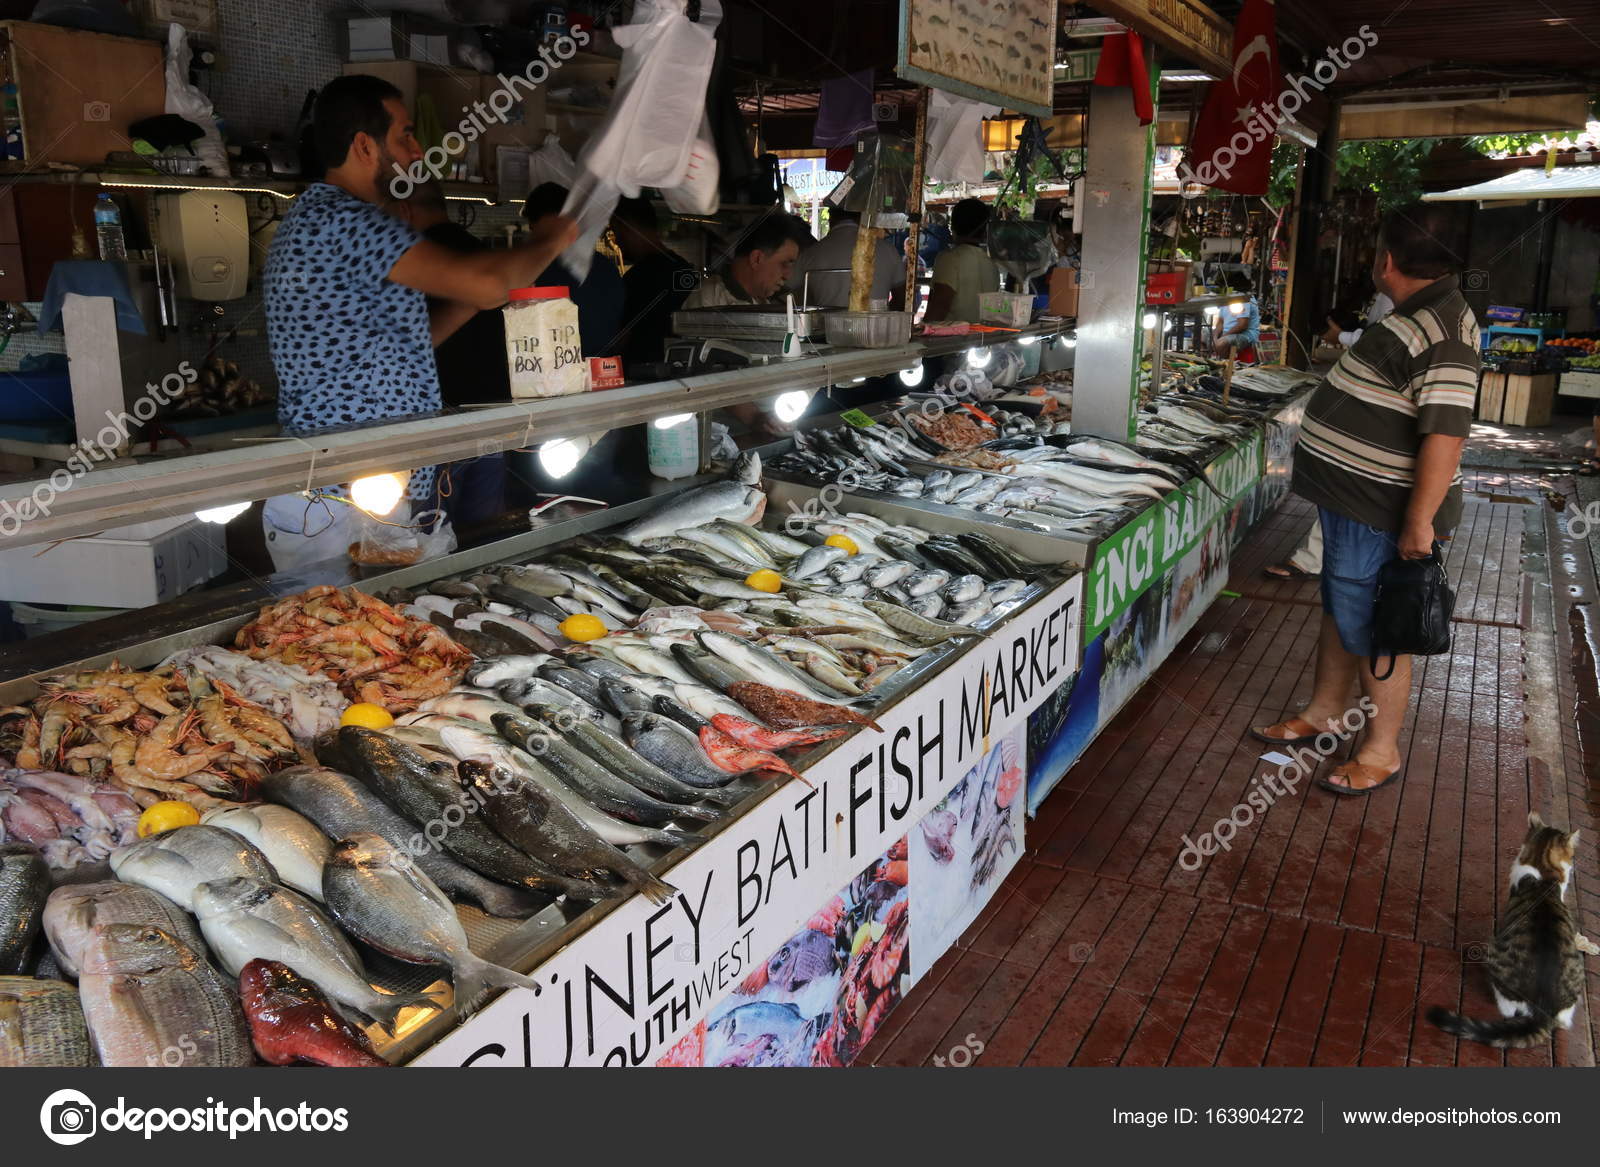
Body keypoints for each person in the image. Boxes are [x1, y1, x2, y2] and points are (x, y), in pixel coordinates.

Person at [260, 75, 574, 570]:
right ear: (364, 146)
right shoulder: (344, 220)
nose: (417, 148)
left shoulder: (328, 219)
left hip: (367, 492)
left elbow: (407, 345)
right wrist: (554, 237)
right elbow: (493, 282)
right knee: (334, 638)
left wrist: (469, 303)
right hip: (337, 500)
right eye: (404, 134)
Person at [1252, 204, 1479, 795]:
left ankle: (1380, 750)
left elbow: (1446, 434)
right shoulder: (1418, 312)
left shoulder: (1445, 329)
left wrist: (1419, 523)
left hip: (1384, 511)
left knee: (1379, 624)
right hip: (1356, 504)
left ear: (1387, 261)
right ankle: (1326, 710)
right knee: (1340, 605)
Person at [384, 178, 508, 531]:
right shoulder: (483, 255)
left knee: (427, 535)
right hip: (493, 419)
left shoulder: (409, 264)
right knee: (485, 535)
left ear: (404, 210)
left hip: (435, 429)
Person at [1265, 290, 1396, 580]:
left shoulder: (1403, 308)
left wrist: (1345, 337)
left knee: (1344, 488)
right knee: (1346, 490)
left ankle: (1313, 561)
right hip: (1374, 417)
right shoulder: (1392, 301)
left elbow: (1380, 343)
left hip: (1380, 419)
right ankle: (1316, 559)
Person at [521, 182, 624, 357]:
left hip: (551, 376)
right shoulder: (606, 267)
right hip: (605, 373)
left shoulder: (530, 268)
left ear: (532, 225)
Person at [610, 195, 696, 367]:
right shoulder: (685, 271)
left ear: (627, 227)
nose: (617, 242)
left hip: (641, 376)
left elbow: (621, 338)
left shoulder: (636, 279)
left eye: (616, 233)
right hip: (683, 368)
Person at [788, 209, 904, 310]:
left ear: (830, 217)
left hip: (825, 331)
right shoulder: (889, 250)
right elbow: (902, 298)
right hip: (876, 330)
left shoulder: (810, 253)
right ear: (861, 216)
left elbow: (787, 288)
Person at [683, 211, 801, 308]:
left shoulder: (762, 302)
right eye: (784, 264)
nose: (787, 276)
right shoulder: (709, 300)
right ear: (756, 259)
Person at [925, 198, 999, 323]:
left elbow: (939, 308)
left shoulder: (949, 259)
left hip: (949, 339)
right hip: (980, 338)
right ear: (984, 230)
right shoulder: (991, 265)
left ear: (953, 226)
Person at [1211, 279, 1261, 359]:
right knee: (1203, 334)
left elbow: (1242, 325)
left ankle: (1223, 364)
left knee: (1221, 343)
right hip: (1228, 333)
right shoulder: (1227, 299)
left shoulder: (1244, 298)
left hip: (1245, 335)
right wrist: (1214, 337)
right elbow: (1220, 322)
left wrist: (1223, 337)